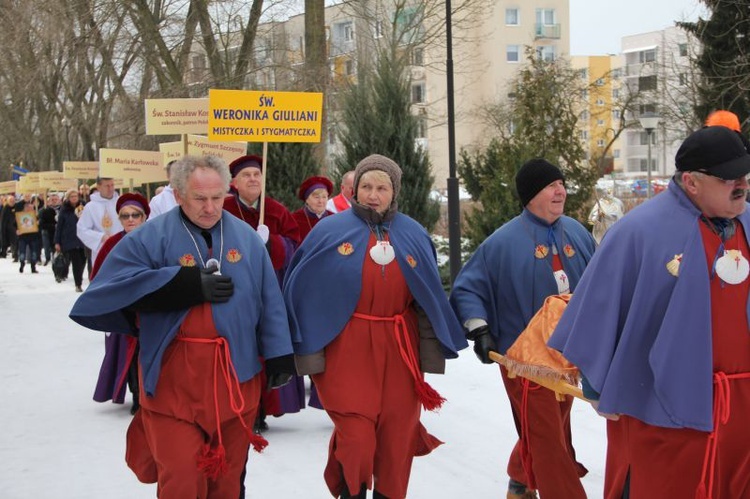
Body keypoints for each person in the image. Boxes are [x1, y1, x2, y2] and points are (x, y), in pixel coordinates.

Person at [69, 155, 295, 498]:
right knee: (182, 479)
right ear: (177, 196)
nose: (209, 208)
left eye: (217, 198)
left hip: (235, 379)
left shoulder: (247, 239)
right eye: (199, 198)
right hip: (174, 380)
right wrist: (178, 284)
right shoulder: (149, 237)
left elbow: (270, 299)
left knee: (227, 481)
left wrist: (279, 353)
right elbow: (104, 291)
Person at [549, 125, 750, 498]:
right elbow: (598, 309)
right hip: (660, 412)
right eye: (729, 179)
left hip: (742, 413)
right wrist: (597, 384)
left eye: (745, 175)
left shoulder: (749, 223)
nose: (741, 184)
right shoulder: (638, 232)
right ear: (691, 182)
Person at [283, 154, 468, 499]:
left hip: (400, 347)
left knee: (398, 434)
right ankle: (352, 490)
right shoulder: (329, 230)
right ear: (354, 191)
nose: (373, 194)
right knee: (356, 433)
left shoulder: (413, 232)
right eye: (366, 186)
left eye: (381, 188)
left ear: (393, 191)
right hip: (347, 345)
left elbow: (427, 294)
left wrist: (432, 348)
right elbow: (301, 289)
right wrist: (302, 351)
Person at [450, 158, 596, 499]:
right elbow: (468, 287)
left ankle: (520, 478)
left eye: (561, 183)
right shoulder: (502, 242)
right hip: (523, 358)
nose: (560, 190)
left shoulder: (577, 232)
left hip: (569, 356)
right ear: (531, 195)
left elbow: (603, 284)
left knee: (552, 426)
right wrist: (480, 329)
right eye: (551, 185)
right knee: (547, 437)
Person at [222, 154, 303, 428]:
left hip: (271, 290)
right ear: (234, 182)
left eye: (257, 174)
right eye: (247, 175)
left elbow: (295, 247)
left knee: (268, 342)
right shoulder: (224, 209)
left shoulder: (277, 210)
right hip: (236, 292)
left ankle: (265, 407)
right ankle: (245, 407)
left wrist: (273, 244)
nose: (253, 179)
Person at [90, 192, 149, 414]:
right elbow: (98, 278)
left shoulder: (156, 239)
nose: (130, 219)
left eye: (135, 215)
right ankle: (137, 394)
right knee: (131, 353)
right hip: (124, 310)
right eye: (125, 216)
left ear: (144, 217)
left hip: (152, 307)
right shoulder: (112, 244)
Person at [76, 176, 121, 267]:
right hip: (101, 249)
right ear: (99, 187)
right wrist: (101, 237)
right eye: (107, 186)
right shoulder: (91, 207)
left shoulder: (121, 203)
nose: (111, 188)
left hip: (121, 248)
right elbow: (82, 229)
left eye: (112, 185)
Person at [54, 189, 87, 290]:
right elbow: (59, 226)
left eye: (75, 196)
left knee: (82, 260)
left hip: (83, 238)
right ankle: (78, 284)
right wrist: (57, 242)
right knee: (76, 261)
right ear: (68, 198)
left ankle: (79, 278)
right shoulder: (64, 209)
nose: (74, 198)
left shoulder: (83, 207)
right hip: (70, 239)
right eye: (72, 197)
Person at [292, 175, 334, 240]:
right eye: (316, 197)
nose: (321, 201)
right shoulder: (294, 219)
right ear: (307, 199)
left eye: (324, 197)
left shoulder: (334, 218)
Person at [14, 193, 42, 274]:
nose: (30, 210)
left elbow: (39, 225)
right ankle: (22, 264)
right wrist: (17, 230)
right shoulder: (20, 216)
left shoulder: (35, 216)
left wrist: (38, 223)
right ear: (24, 209)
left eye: (31, 208)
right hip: (23, 236)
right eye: (28, 208)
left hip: (33, 237)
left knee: (34, 252)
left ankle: (33, 267)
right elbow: (15, 224)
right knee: (22, 252)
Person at [38, 193, 61, 265]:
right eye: (52, 200)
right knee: (47, 245)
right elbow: (41, 222)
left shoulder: (62, 209)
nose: (54, 201)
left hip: (59, 231)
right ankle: (48, 258)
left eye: (56, 199)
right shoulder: (44, 210)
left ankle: (56, 257)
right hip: (48, 231)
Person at [0, 194, 17, 259]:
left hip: (14, 227)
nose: (12, 202)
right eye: (10, 200)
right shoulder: (5, 208)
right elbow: (3, 220)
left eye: (13, 200)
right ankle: (3, 252)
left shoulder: (16, 207)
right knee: (4, 240)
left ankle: (15, 255)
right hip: (6, 228)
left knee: (14, 242)